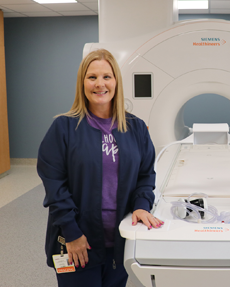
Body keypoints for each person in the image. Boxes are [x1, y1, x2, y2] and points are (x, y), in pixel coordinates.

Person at [37, 49, 163, 287]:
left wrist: (141, 206)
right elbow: (55, 187)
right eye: (92, 77)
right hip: (77, 241)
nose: (100, 84)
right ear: (82, 83)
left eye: (107, 76)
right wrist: (72, 234)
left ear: (116, 82)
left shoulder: (135, 128)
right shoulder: (63, 128)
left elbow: (146, 175)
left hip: (120, 240)